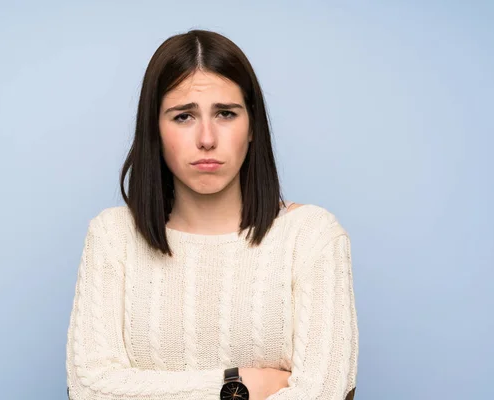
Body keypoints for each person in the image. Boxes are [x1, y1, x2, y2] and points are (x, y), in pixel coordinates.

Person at [66, 29, 358, 400]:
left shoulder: (310, 237)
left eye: (225, 114)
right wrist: (236, 386)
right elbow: (91, 390)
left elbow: (325, 393)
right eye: (183, 116)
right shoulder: (113, 237)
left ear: (252, 126)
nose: (207, 138)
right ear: (155, 129)